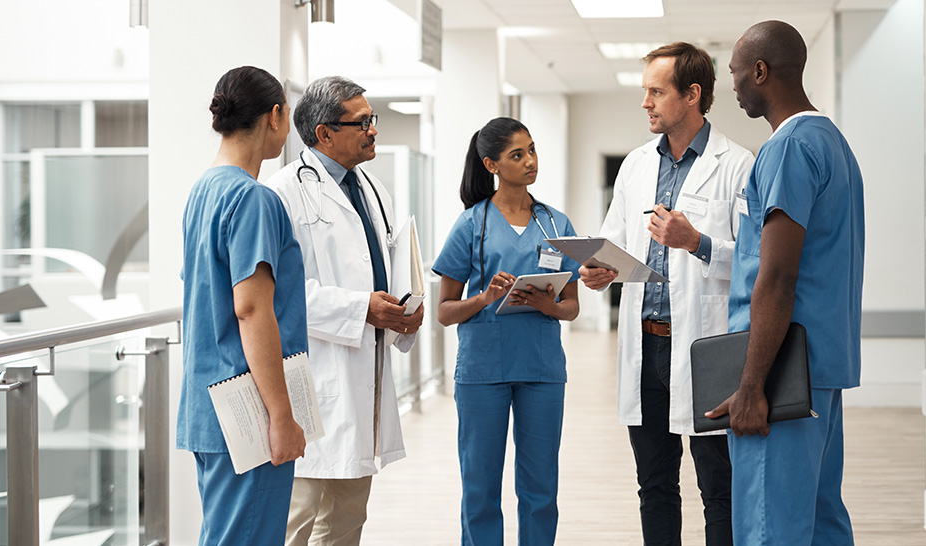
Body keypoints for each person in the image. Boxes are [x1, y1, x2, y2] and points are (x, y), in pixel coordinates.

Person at [578, 42, 753, 545]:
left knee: (719, 487)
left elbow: (754, 259)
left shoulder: (738, 165)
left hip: (705, 348)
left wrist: (695, 241)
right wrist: (601, 270)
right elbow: (615, 244)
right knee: (654, 485)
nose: (645, 102)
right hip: (646, 345)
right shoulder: (635, 165)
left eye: (656, 92)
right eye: (645, 91)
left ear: (692, 94)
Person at [706, 20, 864, 545]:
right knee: (818, 523)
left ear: (760, 71)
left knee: (770, 528)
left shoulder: (789, 147)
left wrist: (751, 386)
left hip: (781, 375)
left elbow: (776, 276)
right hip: (820, 366)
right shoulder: (832, 142)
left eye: (735, 73)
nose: (732, 86)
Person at [264, 75, 423, 546]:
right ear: (324, 133)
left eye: (373, 119)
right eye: (362, 122)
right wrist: (360, 309)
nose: (373, 130)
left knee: (349, 516)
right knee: (297, 518)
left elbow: (385, 267)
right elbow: (278, 293)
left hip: (363, 371)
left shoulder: (372, 189)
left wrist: (403, 313)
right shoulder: (283, 192)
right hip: (314, 375)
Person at [432, 117, 581, 546]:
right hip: (483, 371)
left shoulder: (556, 224)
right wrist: (483, 298)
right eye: (518, 154)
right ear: (492, 165)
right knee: (480, 487)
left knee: (541, 489)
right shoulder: (471, 224)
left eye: (532, 150)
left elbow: (571, 307)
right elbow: (444, 311)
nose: (530, 161)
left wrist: (548, 305)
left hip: (541, 369)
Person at [178, 65, 307, 546]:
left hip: (208, 405)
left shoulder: (203, 191)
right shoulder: (252, 199)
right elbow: (252, 310)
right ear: (274, 116)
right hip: (248, 410)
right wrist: (281, 417)